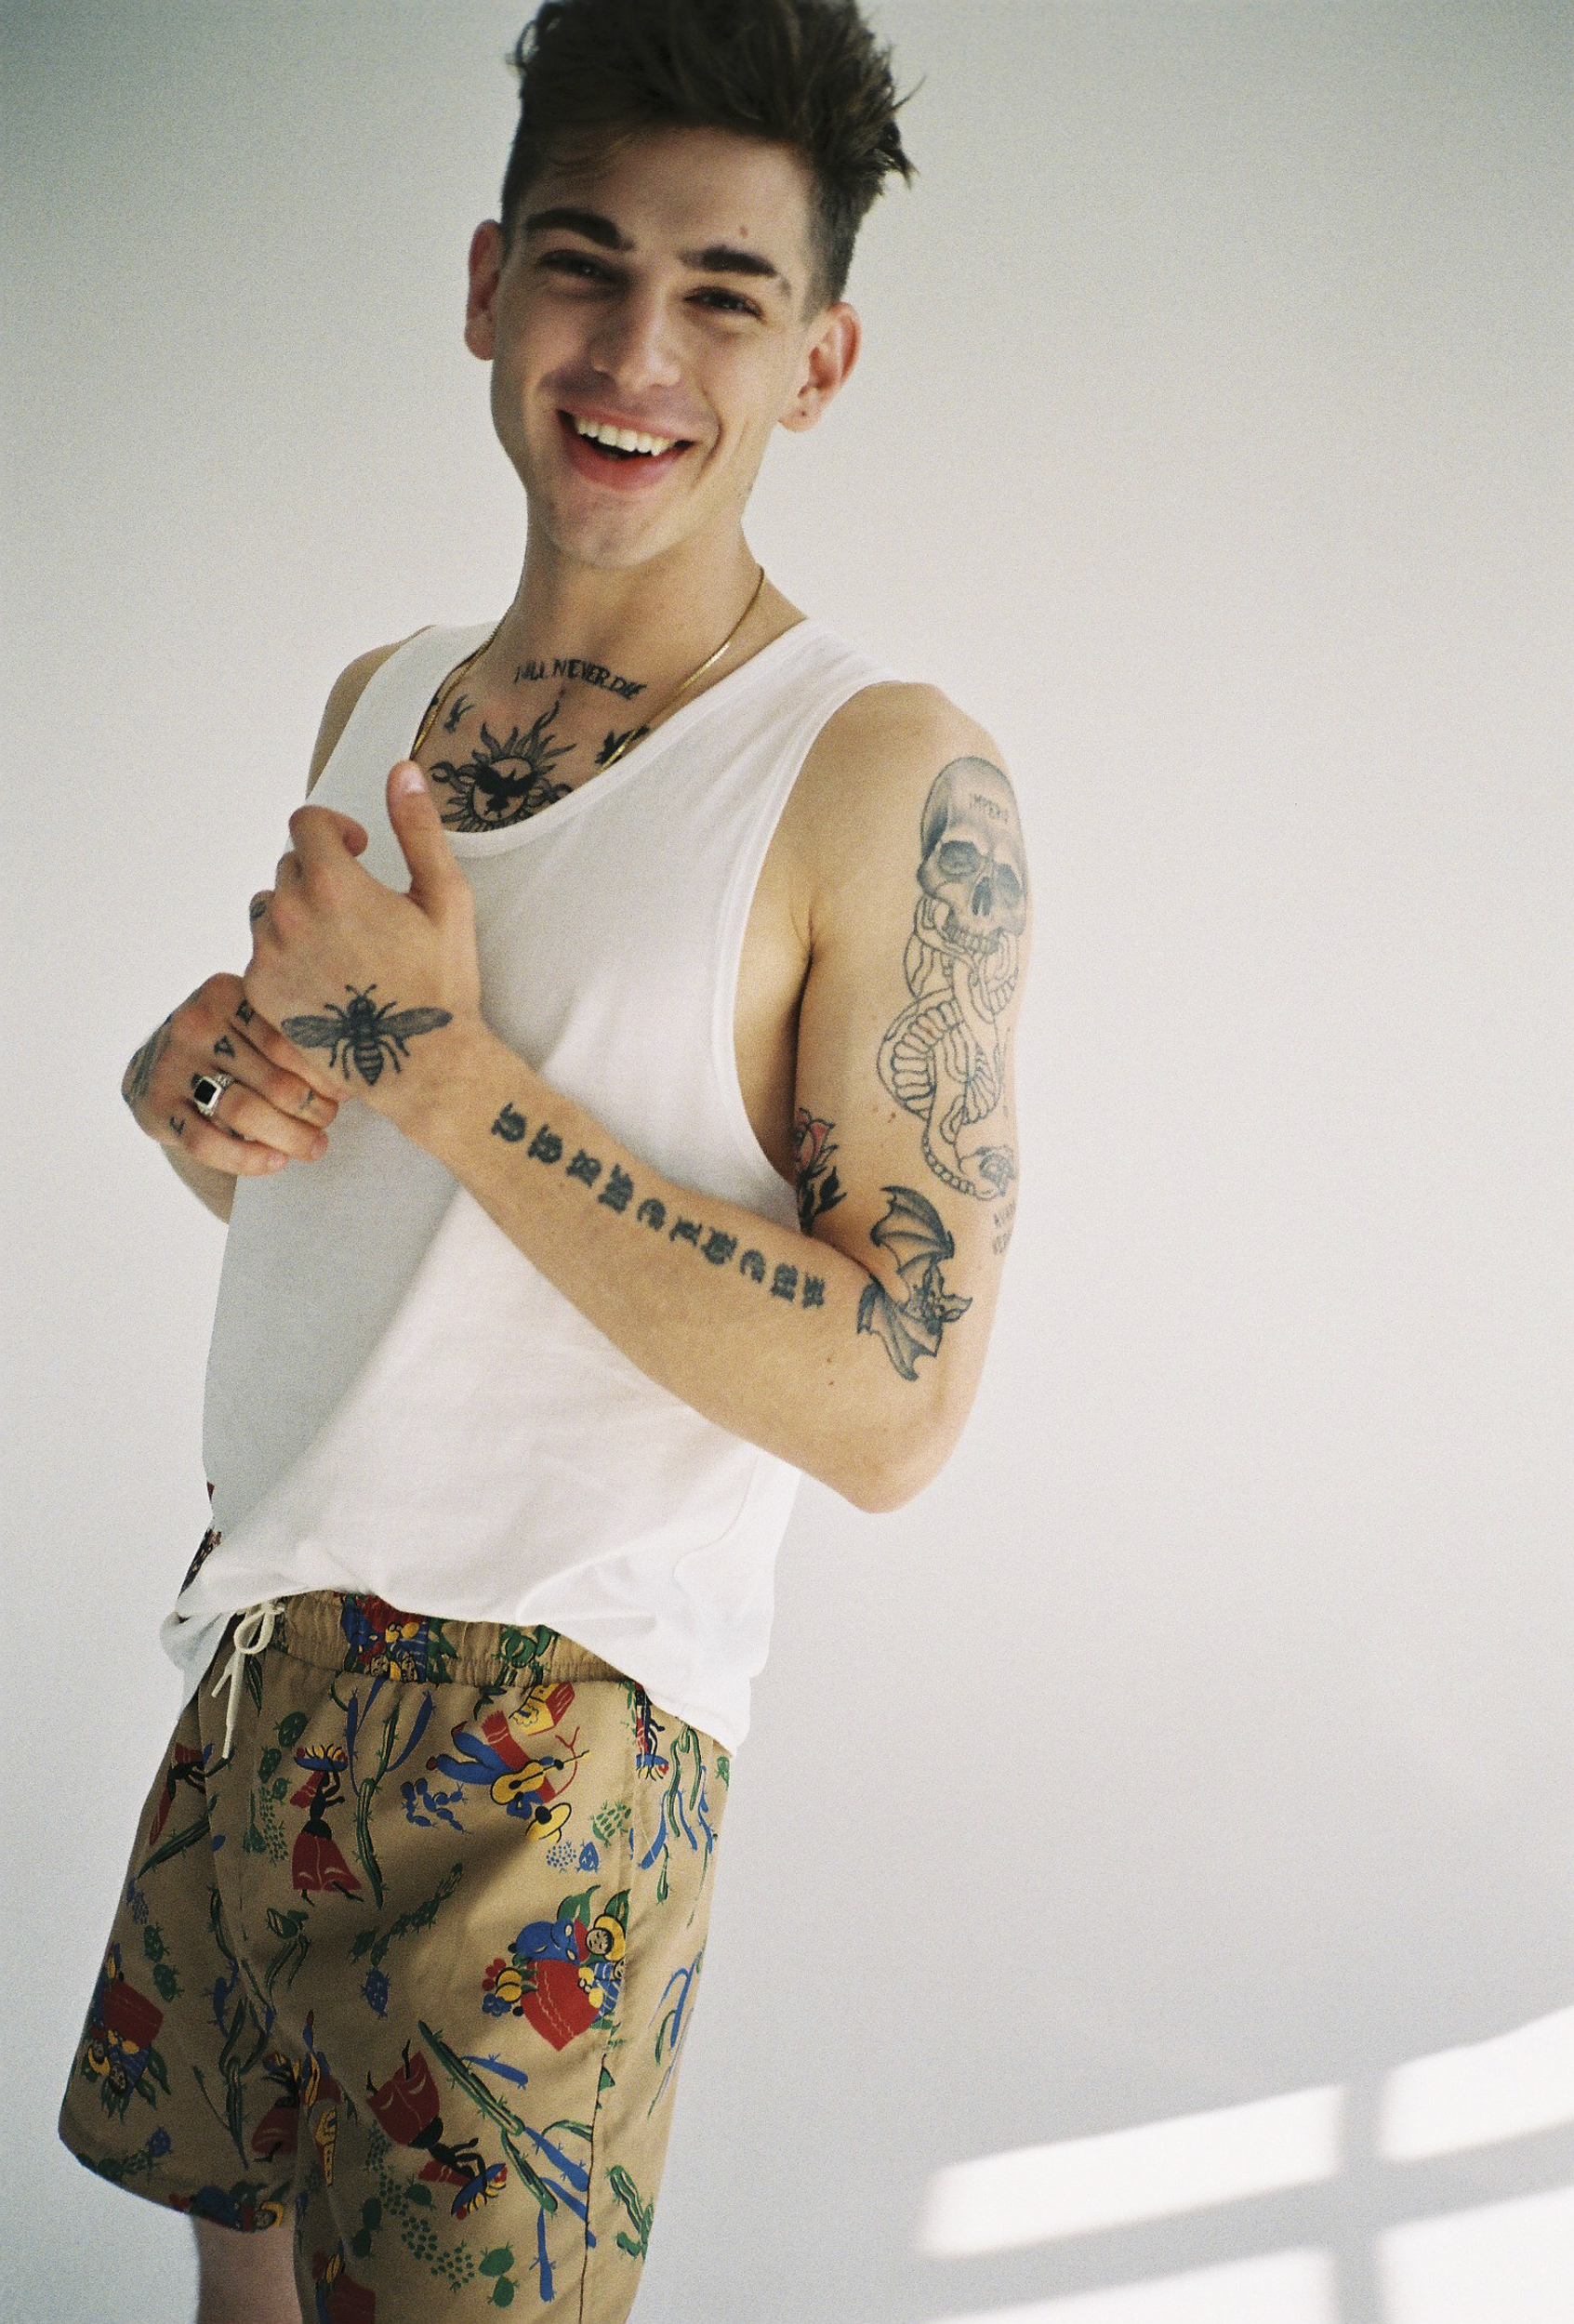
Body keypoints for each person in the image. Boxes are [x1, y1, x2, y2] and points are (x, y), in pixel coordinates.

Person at [58, 1, 1030, 2316]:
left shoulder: (879, 770)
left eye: (726, 294)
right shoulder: (377, 700)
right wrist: (208, 1109)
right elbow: (392, 1234)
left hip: (553, 1733)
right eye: (586, 263)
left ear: (820, 360)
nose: (637, 352)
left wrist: (441, 1067)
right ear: (487, 284)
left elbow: (895, 1407)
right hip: (258, 1653)